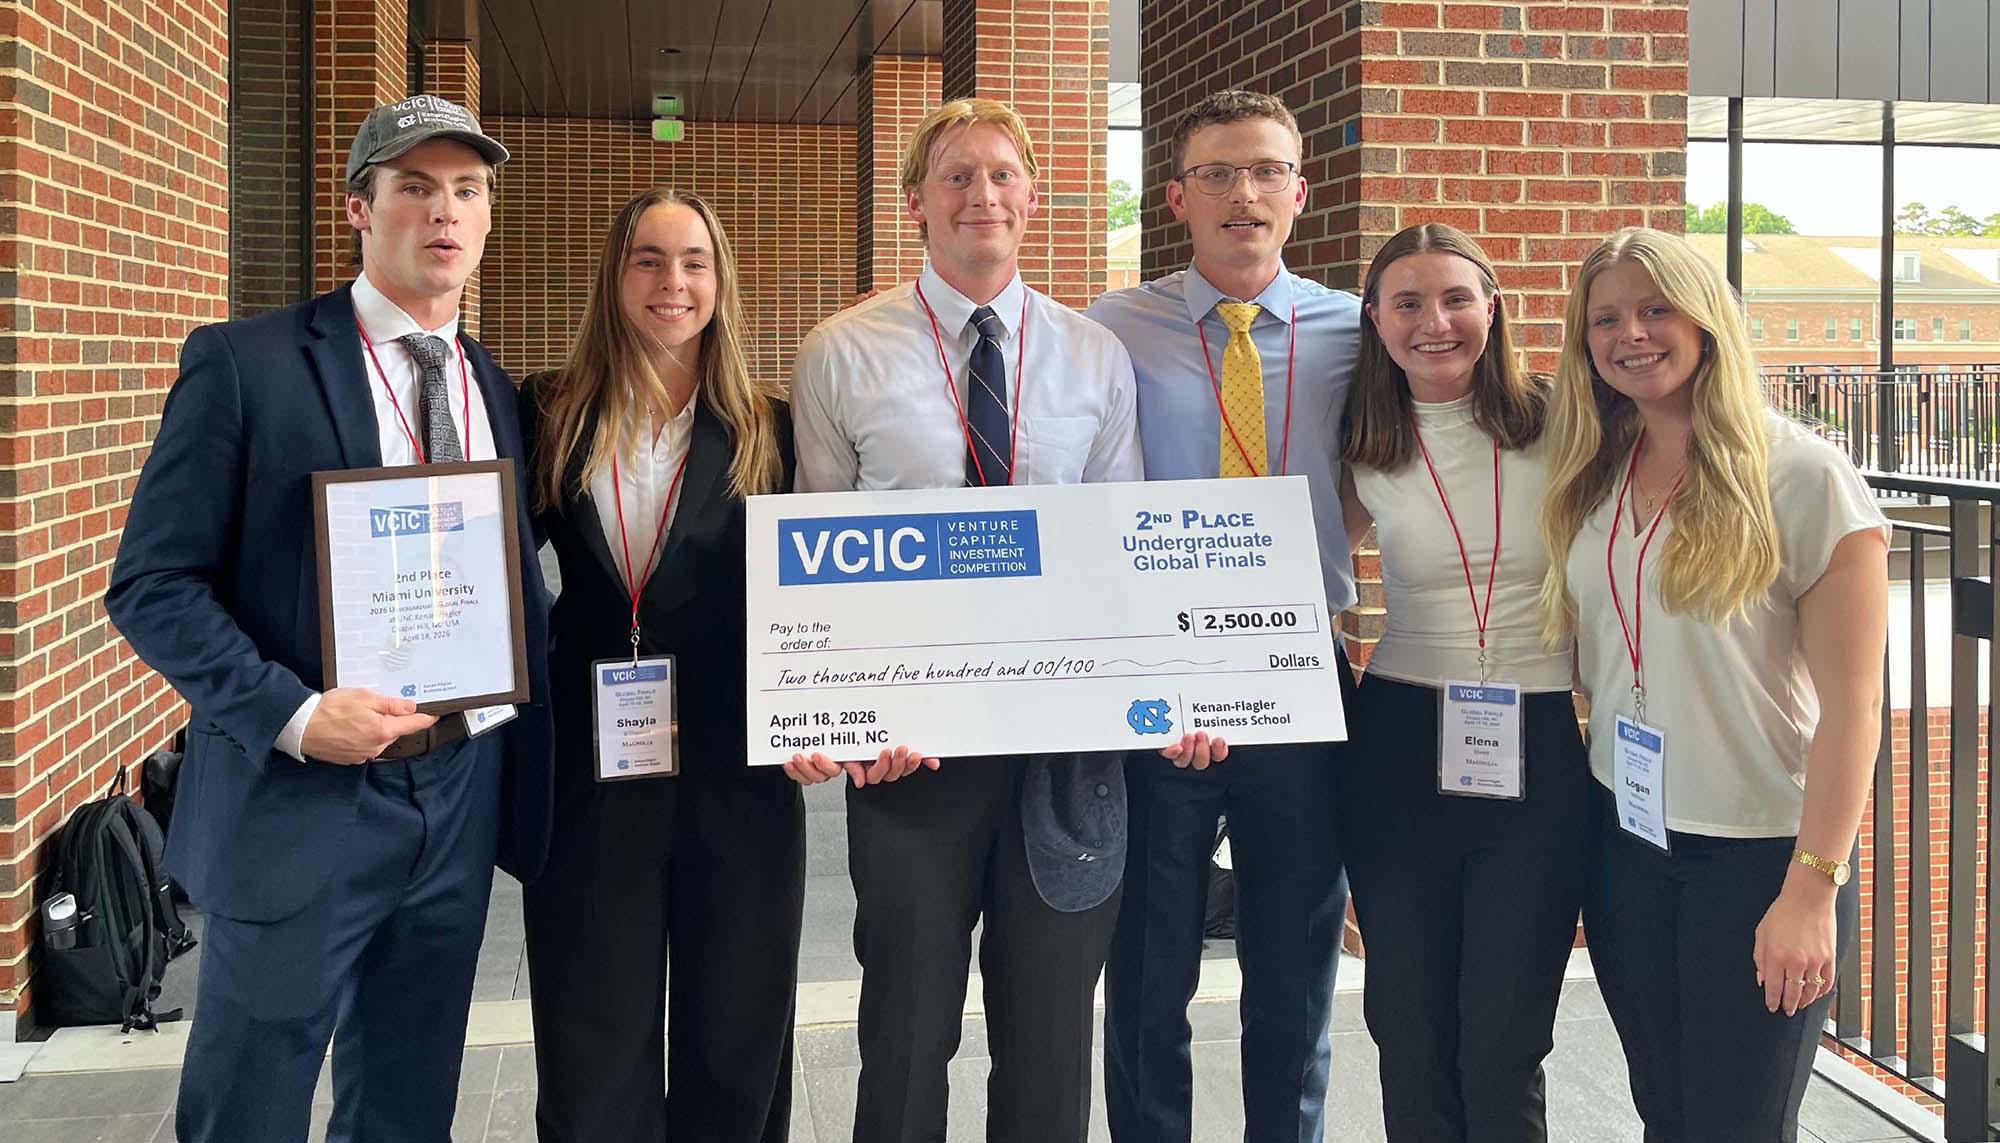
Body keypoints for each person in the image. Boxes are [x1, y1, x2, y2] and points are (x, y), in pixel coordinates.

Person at [104, 95, 552, 1142]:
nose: (443, 212)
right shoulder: (246, 364)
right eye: (414, 187)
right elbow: (152, 583)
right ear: (358, 207)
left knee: (406, 1106)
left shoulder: (495, 389)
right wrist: (297, 715)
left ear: (488, 216)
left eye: (467, 190)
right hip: (300, 797)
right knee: (250, 1106)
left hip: (456, 789)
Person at [787, 97, 1143, 1143]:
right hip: (912, 754)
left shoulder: (1094, 356)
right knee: (903, 1037)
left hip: (1061, 754)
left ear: (1032, 197)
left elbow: (1120, 549)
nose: (980, 194)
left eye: (1000, 174)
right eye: (955, 175)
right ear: (915, 202)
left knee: (1049, 1044)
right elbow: (817, 560)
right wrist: (840, 715)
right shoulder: (842, 351)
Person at [1538, 227, 1888, 1142]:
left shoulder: (1802, 476)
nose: (1631, 333)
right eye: (1606, 317)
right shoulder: (1594, 474)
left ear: (1707, 322)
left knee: (1739, 1123)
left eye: (1656, 309)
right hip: (1628, 841)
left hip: (1758, 857)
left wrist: (1812, 887)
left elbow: (1855, 709)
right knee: (1665, 1111)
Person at [1083, 89, 1358, 1143]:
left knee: (1294, 959)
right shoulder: (1111, 328)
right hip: (1159, 676)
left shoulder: (1355, 329)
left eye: (1265, 171)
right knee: (1149, 957)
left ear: (1299, 191)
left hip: (1300, 672)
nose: (1243, 192)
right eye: (1216, 173)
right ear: (1176, 198)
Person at [517, 188, 800, 1142]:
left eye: (693, 261)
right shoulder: (547, 411)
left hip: (738, 766)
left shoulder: (770, 427)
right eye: (648, 258)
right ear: (615, 275)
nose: (671, 282)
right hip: (592, 764)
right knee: (590, 1035)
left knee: (737, 1033)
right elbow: (487, 564)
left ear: (720, 282)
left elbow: (820, 595)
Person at [1335, 222, 1594, 1142]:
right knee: (1408, 1031)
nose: (1434, 322)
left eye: (1455, 299)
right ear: (1375, 318)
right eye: (1407, 302)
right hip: (1400, 742)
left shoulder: (1566, 424)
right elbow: (1294, 565)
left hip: (1537, 741)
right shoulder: (1361, 440)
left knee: (1505, 1038)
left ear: (1493, 307)